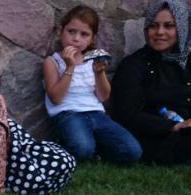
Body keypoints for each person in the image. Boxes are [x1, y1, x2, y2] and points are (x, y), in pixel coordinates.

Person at [43, 5, 142, 163]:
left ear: (91, 39)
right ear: (61, 32)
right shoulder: (53, 61)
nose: (76, 38)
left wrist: (99, 73)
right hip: (69, 114)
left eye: (84, 34)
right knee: (83, 149)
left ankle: (95, 150)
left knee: (133, 151)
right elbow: (56, 98)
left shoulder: (92, 60)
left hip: (97, 114)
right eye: (71, 31)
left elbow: (103, 96)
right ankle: (74, 148)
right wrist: (70, 67)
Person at [110, 0, 191, 164]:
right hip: (158, 138)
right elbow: (126, 115)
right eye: (153, 26)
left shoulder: (188, 62)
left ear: (182, 28)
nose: (159, 32)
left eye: (168, 26)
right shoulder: (133, 65)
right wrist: (172, 126)